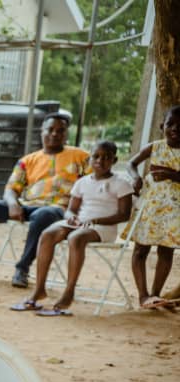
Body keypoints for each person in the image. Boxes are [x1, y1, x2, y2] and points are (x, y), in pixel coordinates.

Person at [0, 114, 90, 288]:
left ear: (66, 134)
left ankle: (22, 269)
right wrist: (13, 204)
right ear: (42, 131)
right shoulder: (28, 160)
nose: (55, 134)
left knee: (44, 214)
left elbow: (94, 183)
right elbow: (11, 188)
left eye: (60, 130)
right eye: (50, 129)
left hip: (59, 209)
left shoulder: (81, 156)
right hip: (28, 206)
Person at [12, 141, 132, 316]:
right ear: (90, 159)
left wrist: (95, 220)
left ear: (114, 160)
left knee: (76, 238)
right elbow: (71, 209)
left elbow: (124, 215)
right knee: (48, 234)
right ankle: (39, 290)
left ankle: (69, 292)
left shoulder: (121, 184)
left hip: (104, 227)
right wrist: (71, 218)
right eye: (96, 156)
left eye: (107, 157)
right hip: (80, 223)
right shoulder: (82, 182)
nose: (100, 161)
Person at [127, 105, 180, 310]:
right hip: (149, 207)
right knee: (141, 249)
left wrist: (171, 175)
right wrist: (135, 178)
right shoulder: (154, 147)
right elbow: (132, 163)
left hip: (174, 211)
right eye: (170, 124)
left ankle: (156, 295)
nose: (175, 129)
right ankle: (142, 295)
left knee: (165, 251)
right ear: (162, 126)